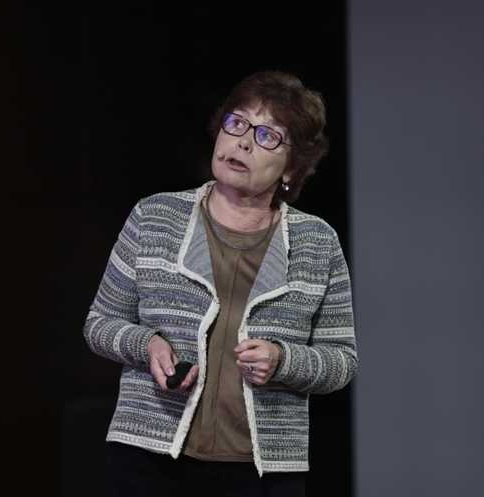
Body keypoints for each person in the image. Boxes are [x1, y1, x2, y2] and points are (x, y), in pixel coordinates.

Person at [84, 71, 357, 497]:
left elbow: (341, 361)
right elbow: (99, 322)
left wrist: (283, 360)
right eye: (237, 123)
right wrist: (147, 344)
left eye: (268, 136)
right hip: (149, 460)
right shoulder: (155, 217)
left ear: (293, 167)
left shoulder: (317, 242)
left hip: (261, 472)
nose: (243, 142)